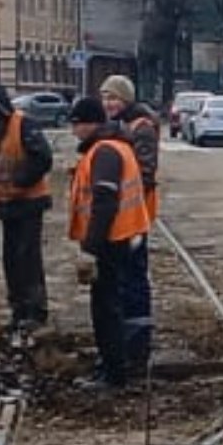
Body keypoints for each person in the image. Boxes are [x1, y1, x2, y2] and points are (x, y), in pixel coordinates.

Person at [67, 97, 151, 390]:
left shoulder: (104, 152)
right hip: (121, 236)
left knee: (106, 307)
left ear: (89, 123)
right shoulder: (114, 146)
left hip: (111, 239)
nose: (74, 131)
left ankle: (113, 372)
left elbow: (104, 202)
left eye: (76, 125)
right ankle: (112, 365)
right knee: (110, 303)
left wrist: (89, 250)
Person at [0, 84, 53, 344]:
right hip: (8, 204)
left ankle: (34, 310)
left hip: (28, 202)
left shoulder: (23, 125)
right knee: (12, 259)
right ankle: (19, 307)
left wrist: (20, 182)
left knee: (27, 258)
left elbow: (43, 159)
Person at [99, 74, 159, 371]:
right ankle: (124, 339)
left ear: (126, 100)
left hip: (136, 217)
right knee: (122, 281)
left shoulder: (140, 127)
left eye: (114, 98)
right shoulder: (116, 127)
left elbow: (145, 173)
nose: (109, 103)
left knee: (134, 281)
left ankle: (137, 346)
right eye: (105, 98)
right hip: (122, 218)